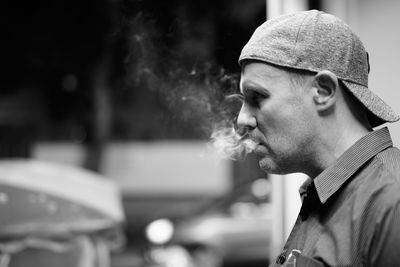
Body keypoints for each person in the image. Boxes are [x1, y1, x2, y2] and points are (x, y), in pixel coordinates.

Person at [236, 9, 400, 267]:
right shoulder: (327, 194)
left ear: (323, 91)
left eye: (257, 97)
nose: (242, 120)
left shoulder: (392, 203)